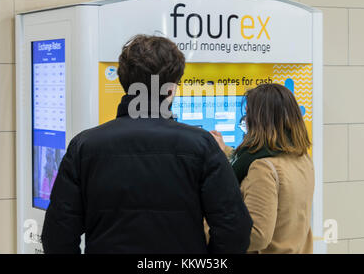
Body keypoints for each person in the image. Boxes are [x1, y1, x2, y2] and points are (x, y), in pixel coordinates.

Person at [41, 34, 252, 254]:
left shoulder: (84, 147)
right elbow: (235, 230)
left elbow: (58, 235)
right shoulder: (201, 146)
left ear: (124, 84)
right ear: (171, 89)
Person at [210, 83, 314, 253]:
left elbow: (256, 235)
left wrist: (207, 229)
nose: (246, 121)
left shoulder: (263, 168)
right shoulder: (302, 158)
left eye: (247, 115)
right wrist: (225, 151)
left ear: (259, 121)